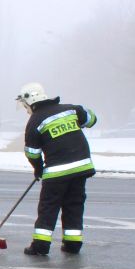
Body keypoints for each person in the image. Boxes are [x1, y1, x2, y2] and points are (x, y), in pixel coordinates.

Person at [16, 82, 98, 256]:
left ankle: (40, 246)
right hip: (81, 167)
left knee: (49, 207)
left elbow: (32, 152)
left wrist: (38, 169)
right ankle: (73, 245)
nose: (25, 109)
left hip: (57, 172)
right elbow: (92, 119)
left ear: (30, 101)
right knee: (74, 205)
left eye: (24, 105)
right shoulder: (70, 109)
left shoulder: (34, 122)